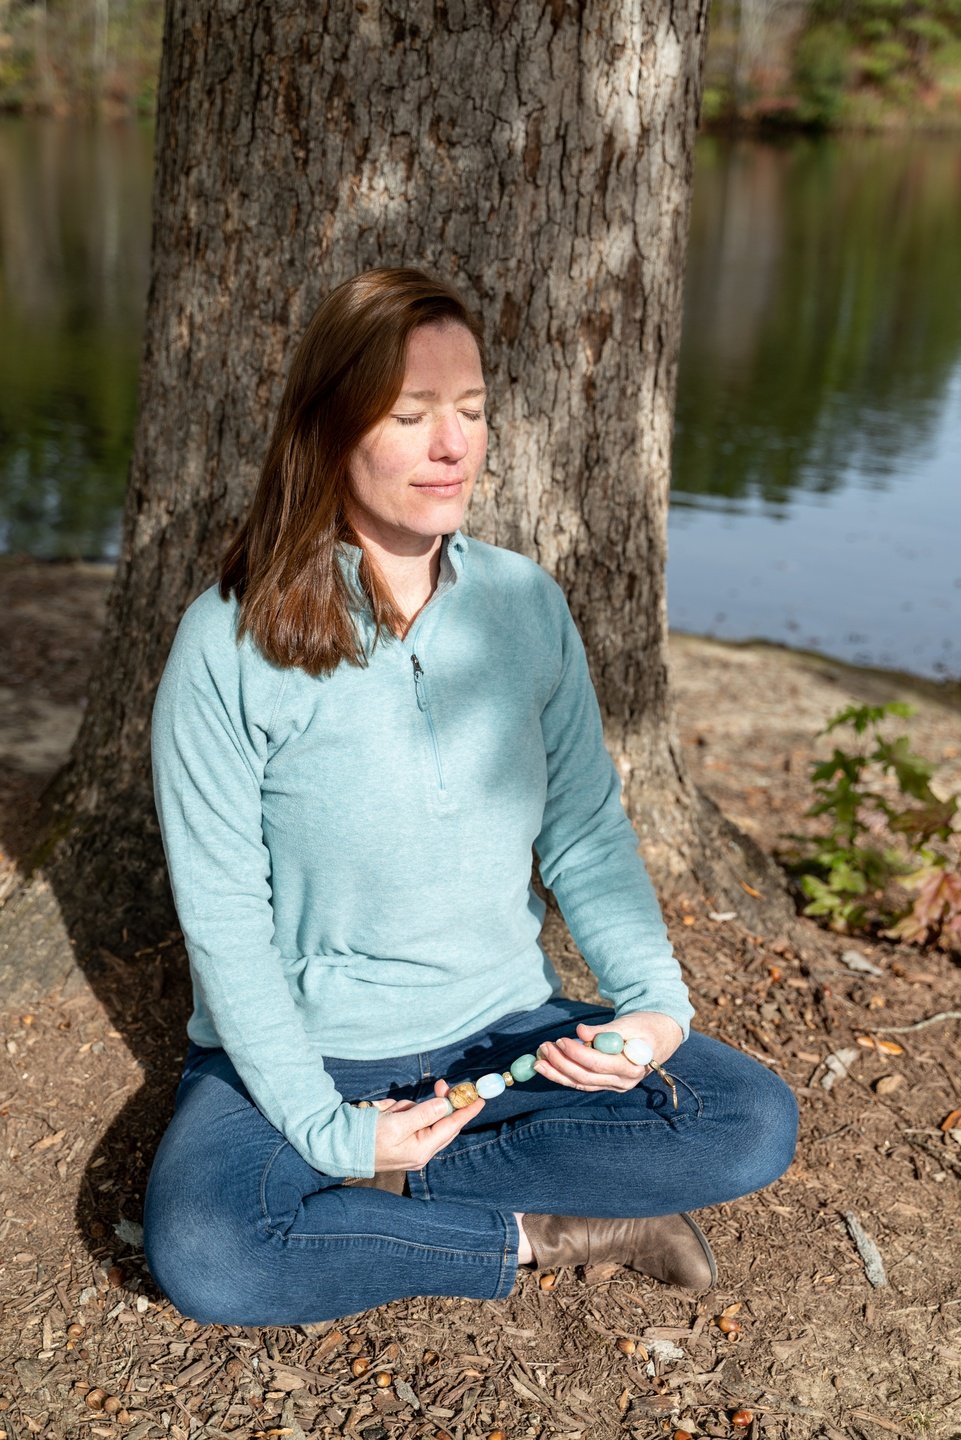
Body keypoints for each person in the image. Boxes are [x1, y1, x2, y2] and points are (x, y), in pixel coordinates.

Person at [143, 266, 798, 1327]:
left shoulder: (524, 605)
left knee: (748, 1118)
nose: (452, 445)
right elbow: (223, 921)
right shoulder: (225, 644)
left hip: (500, 1034)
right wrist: (327, 1129)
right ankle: (538, 1226)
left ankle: (375, 1205)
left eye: (471, 411)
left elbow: (584, 829)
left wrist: (654, 1010)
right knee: (212, 1251)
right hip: (307, 1053)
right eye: (409, 415)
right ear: (329, 429)